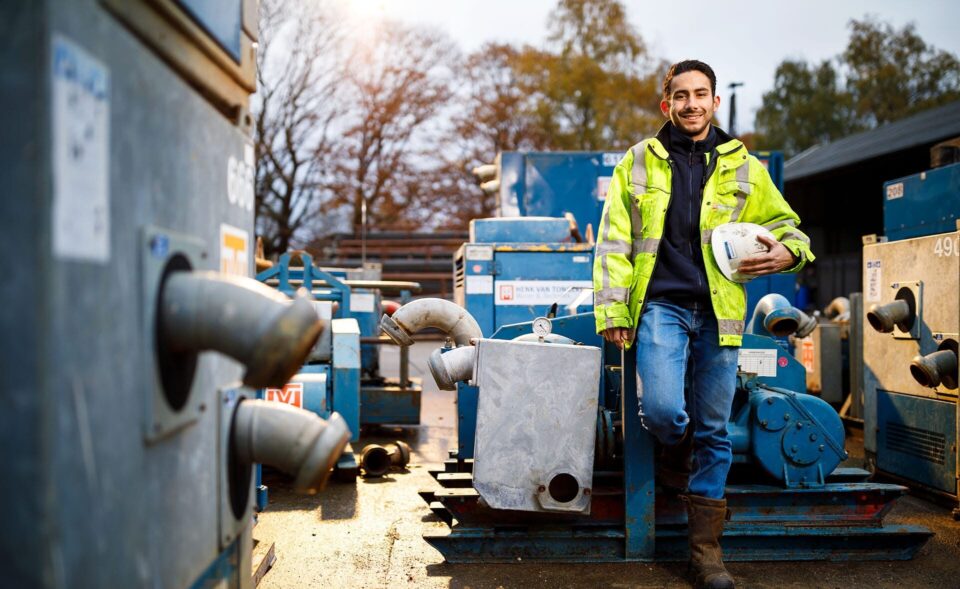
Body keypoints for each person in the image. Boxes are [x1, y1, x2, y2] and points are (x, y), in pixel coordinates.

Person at [592, 60, 814, 589]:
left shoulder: (745, 167)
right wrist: (614, 311)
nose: (691, 103)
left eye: (700, 94)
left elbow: (788, 226)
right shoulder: (638, 162)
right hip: (662, 307)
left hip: (721, 312)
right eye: (681, 95)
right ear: (666, 104)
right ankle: (678, 451)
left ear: (714, 101)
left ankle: (706, 554)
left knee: (715, 429)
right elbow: (614, 241)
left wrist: (789, 252)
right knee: (663, 411)